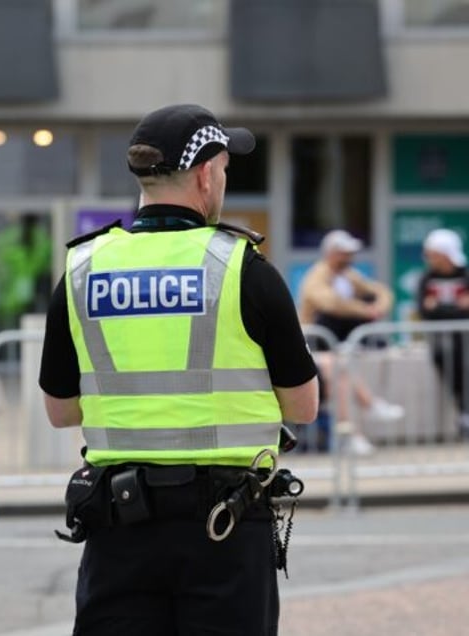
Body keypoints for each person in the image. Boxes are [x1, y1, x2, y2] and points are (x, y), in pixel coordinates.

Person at [39, 104, 319, 636]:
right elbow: (303, 406)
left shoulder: (82, 268)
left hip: (118, 524)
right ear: (205, 174)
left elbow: (59, 411)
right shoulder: (243, 268)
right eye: (226, 171)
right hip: (224, 529)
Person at [298, 229, 404, 454]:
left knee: (341, 369)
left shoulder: (348, 276)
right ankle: (360, 420)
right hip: (310, 344)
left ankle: (359, 423)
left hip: (329, 346)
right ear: (332, 253)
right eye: (345, 253)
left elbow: (380, 291)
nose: (350, 257)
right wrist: (365, 310)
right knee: (337, 369)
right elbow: (330, 303)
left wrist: (379, 306)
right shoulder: (317, 276)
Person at [417, 228, 469, 439]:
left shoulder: (464, 275)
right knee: (453, 373)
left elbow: (434, 309)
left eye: (432, 254)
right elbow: (424, 310)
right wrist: (457, 309)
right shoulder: (427, 278)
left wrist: (439, 308)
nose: (428, 259)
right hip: (443, 343)